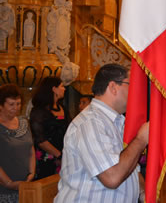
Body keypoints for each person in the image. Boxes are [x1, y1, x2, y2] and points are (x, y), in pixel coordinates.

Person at [55, 64, 149, 203]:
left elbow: (131, 168)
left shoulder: (117, 121)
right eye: (131, 85)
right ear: (113, 87)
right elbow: (112, 178)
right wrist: (140, 140)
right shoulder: (91, 123)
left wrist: (142, 192)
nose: (136, 91)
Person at [0, 84, 35, 202]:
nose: (16, 107)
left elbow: (31, 149)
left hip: (25, 186)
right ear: (1, 105)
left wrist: (31, 173)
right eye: (11, 104)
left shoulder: (24, 122)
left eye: (18, 104)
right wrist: (9, 183)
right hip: (4, 191)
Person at [30, 77, 69, 179]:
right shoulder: (39, 111)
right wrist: (60, 156)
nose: (64, 89)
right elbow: (41, 140)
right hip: (47, 158)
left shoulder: (63, 109)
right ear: (54, 89)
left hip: (65, 156)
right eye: (62, 86)